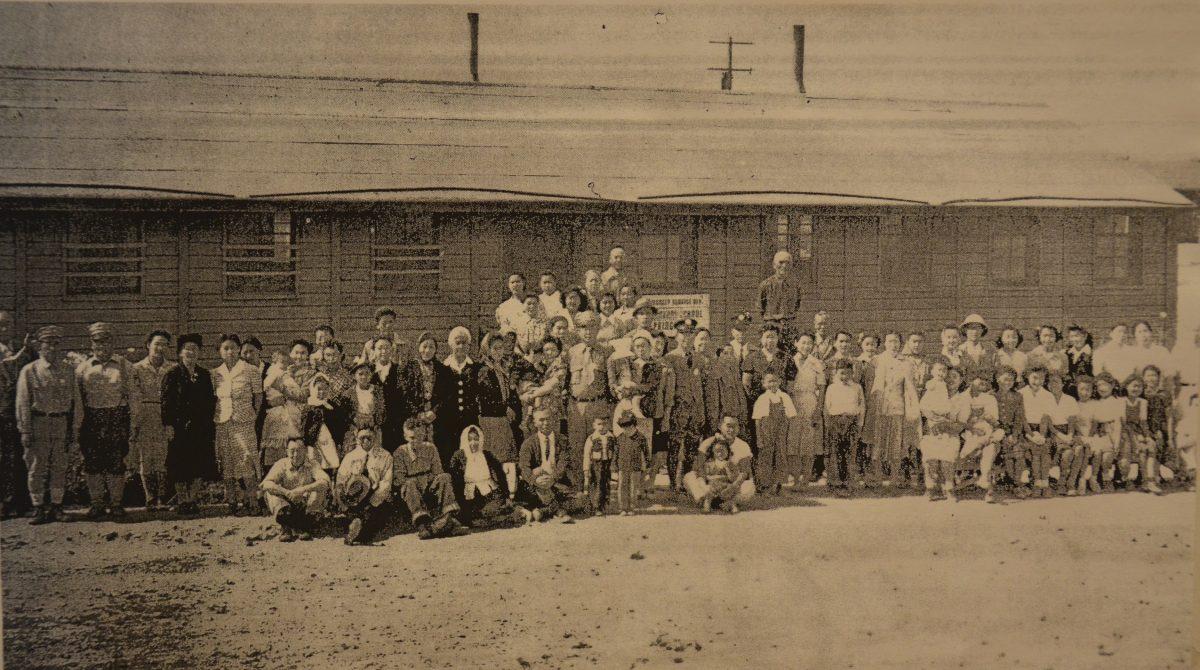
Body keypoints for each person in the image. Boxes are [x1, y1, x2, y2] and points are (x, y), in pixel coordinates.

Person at [15, 326, 83, 524]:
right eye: (48, 344)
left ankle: (56, 506)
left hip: (61, 422)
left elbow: (76, 402)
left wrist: (75, 427)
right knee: (37, 466)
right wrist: (25, 430)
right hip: (38, 423)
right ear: (39, 346)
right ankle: (38, 507)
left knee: (59, 466)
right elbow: (23, 402)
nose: (52, 348)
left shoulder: (68, 370)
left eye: (56, 344)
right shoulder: (30, 371)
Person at [76, 322, 137, 519]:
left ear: (112, 343)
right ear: (91, 344)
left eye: (106, 341)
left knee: (116, 461)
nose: (102, 346)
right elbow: (78, 399)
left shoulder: (124, 366)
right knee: (92, 462)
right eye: (97, 342)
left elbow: (134, 396)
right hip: (92, 418)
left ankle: (116, 503)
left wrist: (134, 422)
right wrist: (78, 425)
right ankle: (96, 504)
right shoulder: (83, 368)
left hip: (116, 417)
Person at [161, 334, 217, 516]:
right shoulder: (172, 374)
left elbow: (210, 402)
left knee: (199, 463)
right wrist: (168, 425)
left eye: (195, 348)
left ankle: (192, 499)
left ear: (199, 352)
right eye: (187, 348)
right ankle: (182, 500)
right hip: (179, 427)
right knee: (179, 464)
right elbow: (166, 402)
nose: (191, 352)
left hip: (201, 428)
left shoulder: (205, 374)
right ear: (180, 353)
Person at [211, 333, 263, 515]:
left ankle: (252, 501)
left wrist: (253, 415)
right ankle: (232, 501)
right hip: (223, 422)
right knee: (228, 461)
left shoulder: (251, 370)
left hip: (244, 422)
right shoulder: (216, 373)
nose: (230, 351)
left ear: (239, 349)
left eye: (233, 347)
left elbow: (258, 396)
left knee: (247, 459)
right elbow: (214, 400)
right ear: (220, 351)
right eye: (225, 348)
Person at [393, 418, 466, 538]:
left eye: (419, 437)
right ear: (405, 436)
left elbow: (437, 471)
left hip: (429, 483)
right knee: (410, 484)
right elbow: (399, 479)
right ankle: (422, 524)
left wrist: (427, 480)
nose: (416, 441)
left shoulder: (430, 448)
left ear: (424, 435)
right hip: (411, 489)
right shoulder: (400, 452)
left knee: (444, 477)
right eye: (412, 438)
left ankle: (448, 517)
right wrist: (417, 480)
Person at [567, 312, 616, 487]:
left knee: (600, 447)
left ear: (598, 329)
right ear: (578, 331)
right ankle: (579, 489)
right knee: (577, 448)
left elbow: (614, 380)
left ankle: (599, 491)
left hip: (598, 405)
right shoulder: (571, 352)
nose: (588, 332)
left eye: (592, 327)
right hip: (576, 407)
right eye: (583, 328)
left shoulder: (607, 351)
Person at [129, 330, 175, 511]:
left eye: (164, 344)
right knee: (145, 458)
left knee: (162, 458)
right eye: (157, 343)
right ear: (148, 345)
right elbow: (133, 396)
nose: (160, 348)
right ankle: (149, 498)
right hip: (145, 414)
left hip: (165, 414)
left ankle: (162, 498)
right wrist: (135, 422)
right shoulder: (137, 368)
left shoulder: (172, 368)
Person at [871, 332, 922, 488]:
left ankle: (894, 478)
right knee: (878, 443)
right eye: (890, 341)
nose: (893, 344)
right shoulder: (877, 360)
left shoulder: (906, 363)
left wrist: (914, 408)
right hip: (879, 407)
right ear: (885, 343)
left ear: (900, 344)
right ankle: (878, 477)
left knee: (896, 444)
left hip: (897, 407)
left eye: (896, 341)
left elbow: (910, 388)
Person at [663, 318, 708, 491]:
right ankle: (674, 483)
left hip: (695, 410)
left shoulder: (699, 359)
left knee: (692, 446)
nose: (686, 338)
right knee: (674, 446)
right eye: (682, 334)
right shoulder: (670, 358)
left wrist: (701, 410)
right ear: (676, 336)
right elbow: (667, 389)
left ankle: (688, 482)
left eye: (690, 334)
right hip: (678, 409)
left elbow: (701, 388)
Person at [476, 332, 521, 499]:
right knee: (494, 459)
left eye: (501, 348)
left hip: (501, 420)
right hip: (490, 421)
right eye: (495, 348)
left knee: (506, 459)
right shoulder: (484, 370)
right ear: (487, 349)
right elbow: (486, 398)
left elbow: (508, 394)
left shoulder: (501, 368)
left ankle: (509, 494)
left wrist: (510, 408)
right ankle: (496, 496)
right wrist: (505, 409)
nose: (499, 352)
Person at [261, 438, 329, 541]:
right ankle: (286, 527)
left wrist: (302, 490)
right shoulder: (281, 464)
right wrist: (286, 492)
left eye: (299, 450)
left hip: (304, 504)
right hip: (286, 505)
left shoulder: (313, 464)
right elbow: (266, 484)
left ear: (305, 451)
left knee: (320, 489)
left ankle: (306, 526)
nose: (296, 454)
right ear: (287, 451)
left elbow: (325, 482)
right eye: (292, 451)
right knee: (270, 492)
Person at [517, 408, 578, 522]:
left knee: (582, 500)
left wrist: (553, 478)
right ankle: (559, 510)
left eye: (548, 419)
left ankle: (543, 511)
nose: (546, 423)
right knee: (535, 485)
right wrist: (535, 480)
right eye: (541, 420)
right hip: (536, 484)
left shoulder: (563, 440)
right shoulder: (528, 443)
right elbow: (524, 467)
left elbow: (564, 463)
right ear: (535, 422)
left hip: (556, 481)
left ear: (554, 420)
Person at [432, 326, 480, 469]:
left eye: (464, 343)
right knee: (447, 457)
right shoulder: (441, 368)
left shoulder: (476, 368)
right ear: (451, 344)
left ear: (469, 346)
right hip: (446, 424)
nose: (461, 346)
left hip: (468, 421)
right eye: (457, 342)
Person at [336, 428, 394, 545]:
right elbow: (340, 480)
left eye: (369, 438)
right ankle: (355, 525)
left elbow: (386, 483)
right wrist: (344, 502)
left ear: (375, 439)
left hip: (375, 497)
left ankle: (358, 530)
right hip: (354, 497)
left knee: (374, 519)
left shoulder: (385, 456)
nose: (366, 441)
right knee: (354, 516)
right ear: (357, 439)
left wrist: (371, 503)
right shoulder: (350, 457)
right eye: (362, 438)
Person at [0, 327, 35, 519]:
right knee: (4, 458)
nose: (5, 328)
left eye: (8, 324)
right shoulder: (11, 354)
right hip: (2, 410)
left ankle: (21, 502)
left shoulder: (15, 349)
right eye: (1, 324)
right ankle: (4, 503)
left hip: (13, 412)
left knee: (18, 456)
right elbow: (7, 366)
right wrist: (25, 351)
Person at [261, 340, 314, 467]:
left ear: (308, 355)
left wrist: (282, 390)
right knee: (275, 446)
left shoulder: (310, 373)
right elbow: (266, 391)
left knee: (293, 448)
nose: (299, 356)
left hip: (298, 416)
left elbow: (302, 395)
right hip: (277, 415)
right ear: (290, 354)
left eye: (303, 353)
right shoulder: (280, 370)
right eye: (296, 353)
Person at [448, 424, 511, 526]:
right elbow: (453, 478)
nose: (473, 443)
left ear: (480, 439)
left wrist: (506, 494)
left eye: (476, 439)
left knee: (493, 509)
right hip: (468, 494)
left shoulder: (486, 454)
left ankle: (485, 518)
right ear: (464, 440)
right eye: (469, 439)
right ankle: (483, 519)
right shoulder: (458, 456)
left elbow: (500, 473)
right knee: (468, 513)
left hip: (489, 493)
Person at [372, 334, 425, 453]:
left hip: (397, 425)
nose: (383, 351)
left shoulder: (401, 371)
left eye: (387, 348)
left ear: (392, 350)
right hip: (375, 427)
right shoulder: (369, 372)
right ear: (374, 351)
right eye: (380, 348)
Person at [955, 371, 1002, 502]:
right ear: (971, 380)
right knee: (989, 444)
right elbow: (960, 421)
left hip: (986, 432)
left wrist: (988, 418)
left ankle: (984, 478)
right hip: (968, 433)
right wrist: (973, 425)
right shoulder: (963, 397)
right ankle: (986, 483)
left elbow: (995, 421)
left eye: (986, 380)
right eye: (980, 378)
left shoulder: (990, 398)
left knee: (991, 443)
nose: (984, 382)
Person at [787, 332, 825, 487]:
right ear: (796, 343)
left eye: (809, 343)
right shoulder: (790, 361)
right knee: (793, 442)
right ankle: (795, 478)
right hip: (793, 402)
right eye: (803, 342)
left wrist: (818, 409)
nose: (806, 346)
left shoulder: (816, 363)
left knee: (808, 443)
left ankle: (806, 479)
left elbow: (821, 388)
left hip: (810, 402)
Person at [919, 361, 962, 502]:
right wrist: (932, 418)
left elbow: (961, 423)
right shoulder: (933, 390)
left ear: (961, 380)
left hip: (951, 434)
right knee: (930, 454)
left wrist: (945, 423)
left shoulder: (962, 398)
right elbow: (924, 408)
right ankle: (930, 488)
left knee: (947, 457)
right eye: (948, 376)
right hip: (933, 430)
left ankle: (949, 488)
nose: (950, 379)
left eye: (954, 377)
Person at [690, 416, 757, 505]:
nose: (732, 429)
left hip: (730, 486)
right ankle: (706, 498)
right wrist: (705, 486)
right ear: (720, 426)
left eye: (735, 426)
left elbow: (745, 472)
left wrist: (733, 487)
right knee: (689, 477)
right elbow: (699, 468)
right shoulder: (708, 442)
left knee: (749, 486)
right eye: (728, 426)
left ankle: (727, 502)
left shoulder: (743, 445)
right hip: (710, 485)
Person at [752, 370, 796, 495]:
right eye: (769, 381)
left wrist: (790, 436)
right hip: (766, 435)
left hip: (781, 435)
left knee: (780, 457)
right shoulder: (762, 398)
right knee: (766, 458)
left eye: (775, 381)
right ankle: (765, 486)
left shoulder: (785, 397)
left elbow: (791, 417)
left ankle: (778, 485)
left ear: (780, 382)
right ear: (764, 383)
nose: (772, 384)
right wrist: (759, 438)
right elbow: (757, 421)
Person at [824, 359, 865, 491]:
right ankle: (835, 481)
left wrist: (859, 424)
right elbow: (826, 407)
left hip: (851, 421)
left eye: (847, 373)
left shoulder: (857, 387)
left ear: (852, 373)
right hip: (835, 422)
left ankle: (848, 481)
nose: (844, 376)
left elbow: (862, 406)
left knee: (850, 452)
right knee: (835, 451)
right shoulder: (831, 388)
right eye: (841, 373)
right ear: (836, 373)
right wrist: (828, 424)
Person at [1120, 375, 1162, 494]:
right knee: (1141, 450)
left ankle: (1150, 481)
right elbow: (1124, 424)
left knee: (1151, 447)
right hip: (1125, 432)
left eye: (1139, 386)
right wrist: (1135, 441)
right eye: (1134, 386)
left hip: (1138, 431)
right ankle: (1144, 481)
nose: (1136, 389)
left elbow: (1143, 423)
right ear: (1126, 386)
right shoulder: (1122, 401)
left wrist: (1148, 437)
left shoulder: (1143, 402)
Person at [1019, 366, 1056, 498]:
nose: (1037, 381)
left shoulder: (1048, 395)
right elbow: (1022, 418)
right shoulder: (1021, 393)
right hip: (1025, 431)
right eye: (1034, 377)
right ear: (1027, 376)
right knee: (1035, 450)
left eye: (1041, 378)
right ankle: (1036, 483)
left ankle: (1044, 484)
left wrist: (1041, 435)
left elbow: (1046, 417)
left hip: (1043, 430)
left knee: (1044, 448)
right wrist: (1031, 436)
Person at [1084, 373, 1123, 493]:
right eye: (1099, 385)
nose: (1102, 388)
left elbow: (1117, 424)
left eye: (1105, 385)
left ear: (1112, 385)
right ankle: (1095, 478)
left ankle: (1105, 478)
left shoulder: (1117, 402)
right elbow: (1093, 423)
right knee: (1097, 450)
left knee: (1107, 456)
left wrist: (1116, 441)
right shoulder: (1095, 403)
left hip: (1111, 434)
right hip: (1097, 433)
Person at [1044, 373, 1079, 495]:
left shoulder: (1070, 400)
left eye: (1056, 381)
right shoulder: (1045, 399)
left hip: (1068, 431)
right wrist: (1061, 435)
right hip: (1052, 432)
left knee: (1071, 452)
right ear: (1047, 385)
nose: (1053, 385)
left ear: (1063, 384)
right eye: (1050, 382)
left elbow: (1072, 422)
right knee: (1062, 451)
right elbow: (1048, 424)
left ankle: (1066, 483)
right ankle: (1055, 483)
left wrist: (1069, 435)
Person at [758, 250, 802, 345]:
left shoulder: (795, 285)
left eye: (788, 263)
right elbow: (761, 308)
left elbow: (797, 306)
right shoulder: (765, 285)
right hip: (771, 328)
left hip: (788, 328)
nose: (784, 266)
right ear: (774, 265)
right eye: (781, 262)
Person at [342, 362, 385, 456]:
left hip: (373, 426)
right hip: (355, 427)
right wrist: (354, 422)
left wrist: (375, 423)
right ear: (354, 376)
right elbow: (346, 414)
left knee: (375, 453)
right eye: (360, 374)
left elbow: (381, 409)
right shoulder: (349, 393)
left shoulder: (377, 391)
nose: (364, 377)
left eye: (367, 373)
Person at [613, 411, 647, 515]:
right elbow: (616, 453)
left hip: (635, 467)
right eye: (624, 426)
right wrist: (614, 466)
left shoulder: (641, 438)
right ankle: (623, 508)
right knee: (622, 487)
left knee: (633, 487)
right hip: (622, 467)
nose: (626, 429)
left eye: (629, 426)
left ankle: (631, 507)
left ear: (634, 425)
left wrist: (647, 466)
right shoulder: (620, 438)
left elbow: (646, 453)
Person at [697, 438, 742, 513]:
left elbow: (732, 479)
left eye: (723, 451)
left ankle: (732, 506)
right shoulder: (709, 464)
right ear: (713, 452)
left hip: (726, 486)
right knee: (709, 493)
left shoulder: (730, 464)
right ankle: (707, 505)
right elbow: (706, 477)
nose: (720, 453)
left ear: (728, 452)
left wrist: (727, 469)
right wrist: (716, 477)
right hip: (714, 485)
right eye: (717, 451)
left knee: (731, 494)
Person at [581, 416, 615, 514]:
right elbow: (587, 454)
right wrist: (586, 468)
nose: (602, 427)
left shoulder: (611, 437)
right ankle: (596, 506)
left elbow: (614, 450)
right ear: (594, 425)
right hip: (596, 465)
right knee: (597, 484)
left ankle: (604, 504)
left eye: (604, 424)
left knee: (606, 483)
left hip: (607, 464)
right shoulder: (591, 438)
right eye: (599, 424)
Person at [957, 314, 993, 385]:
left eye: (978, 328)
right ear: (965, 330)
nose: (975, 332)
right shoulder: (959, 350)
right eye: (971, 328)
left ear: (982, 330)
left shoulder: (988, 350)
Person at [1064, 325, 1094, 397]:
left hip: (1087, 393)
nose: (1075, 339)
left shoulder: (1092, 354)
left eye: (1077, 336)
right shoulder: (1066, 354)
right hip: (1069, 393)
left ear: (1085, 336)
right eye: (1072, 336)